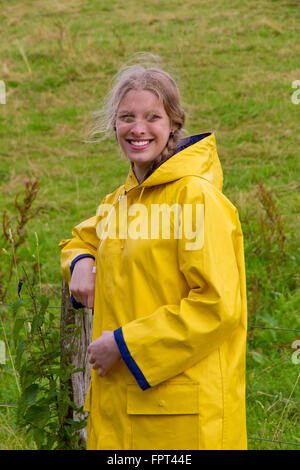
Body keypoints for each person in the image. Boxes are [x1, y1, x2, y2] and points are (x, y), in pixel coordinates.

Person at [59, 56, 248, 450]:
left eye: (152, 117)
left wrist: (126, 346)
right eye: (127, 117)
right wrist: (80, 261)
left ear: (173, 124)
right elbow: (82, 238)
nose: (137, 128)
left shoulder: (196, 199)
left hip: (182, 423)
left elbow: (217, 306)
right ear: (114, 125)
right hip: (124, 414)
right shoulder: (123, 201)